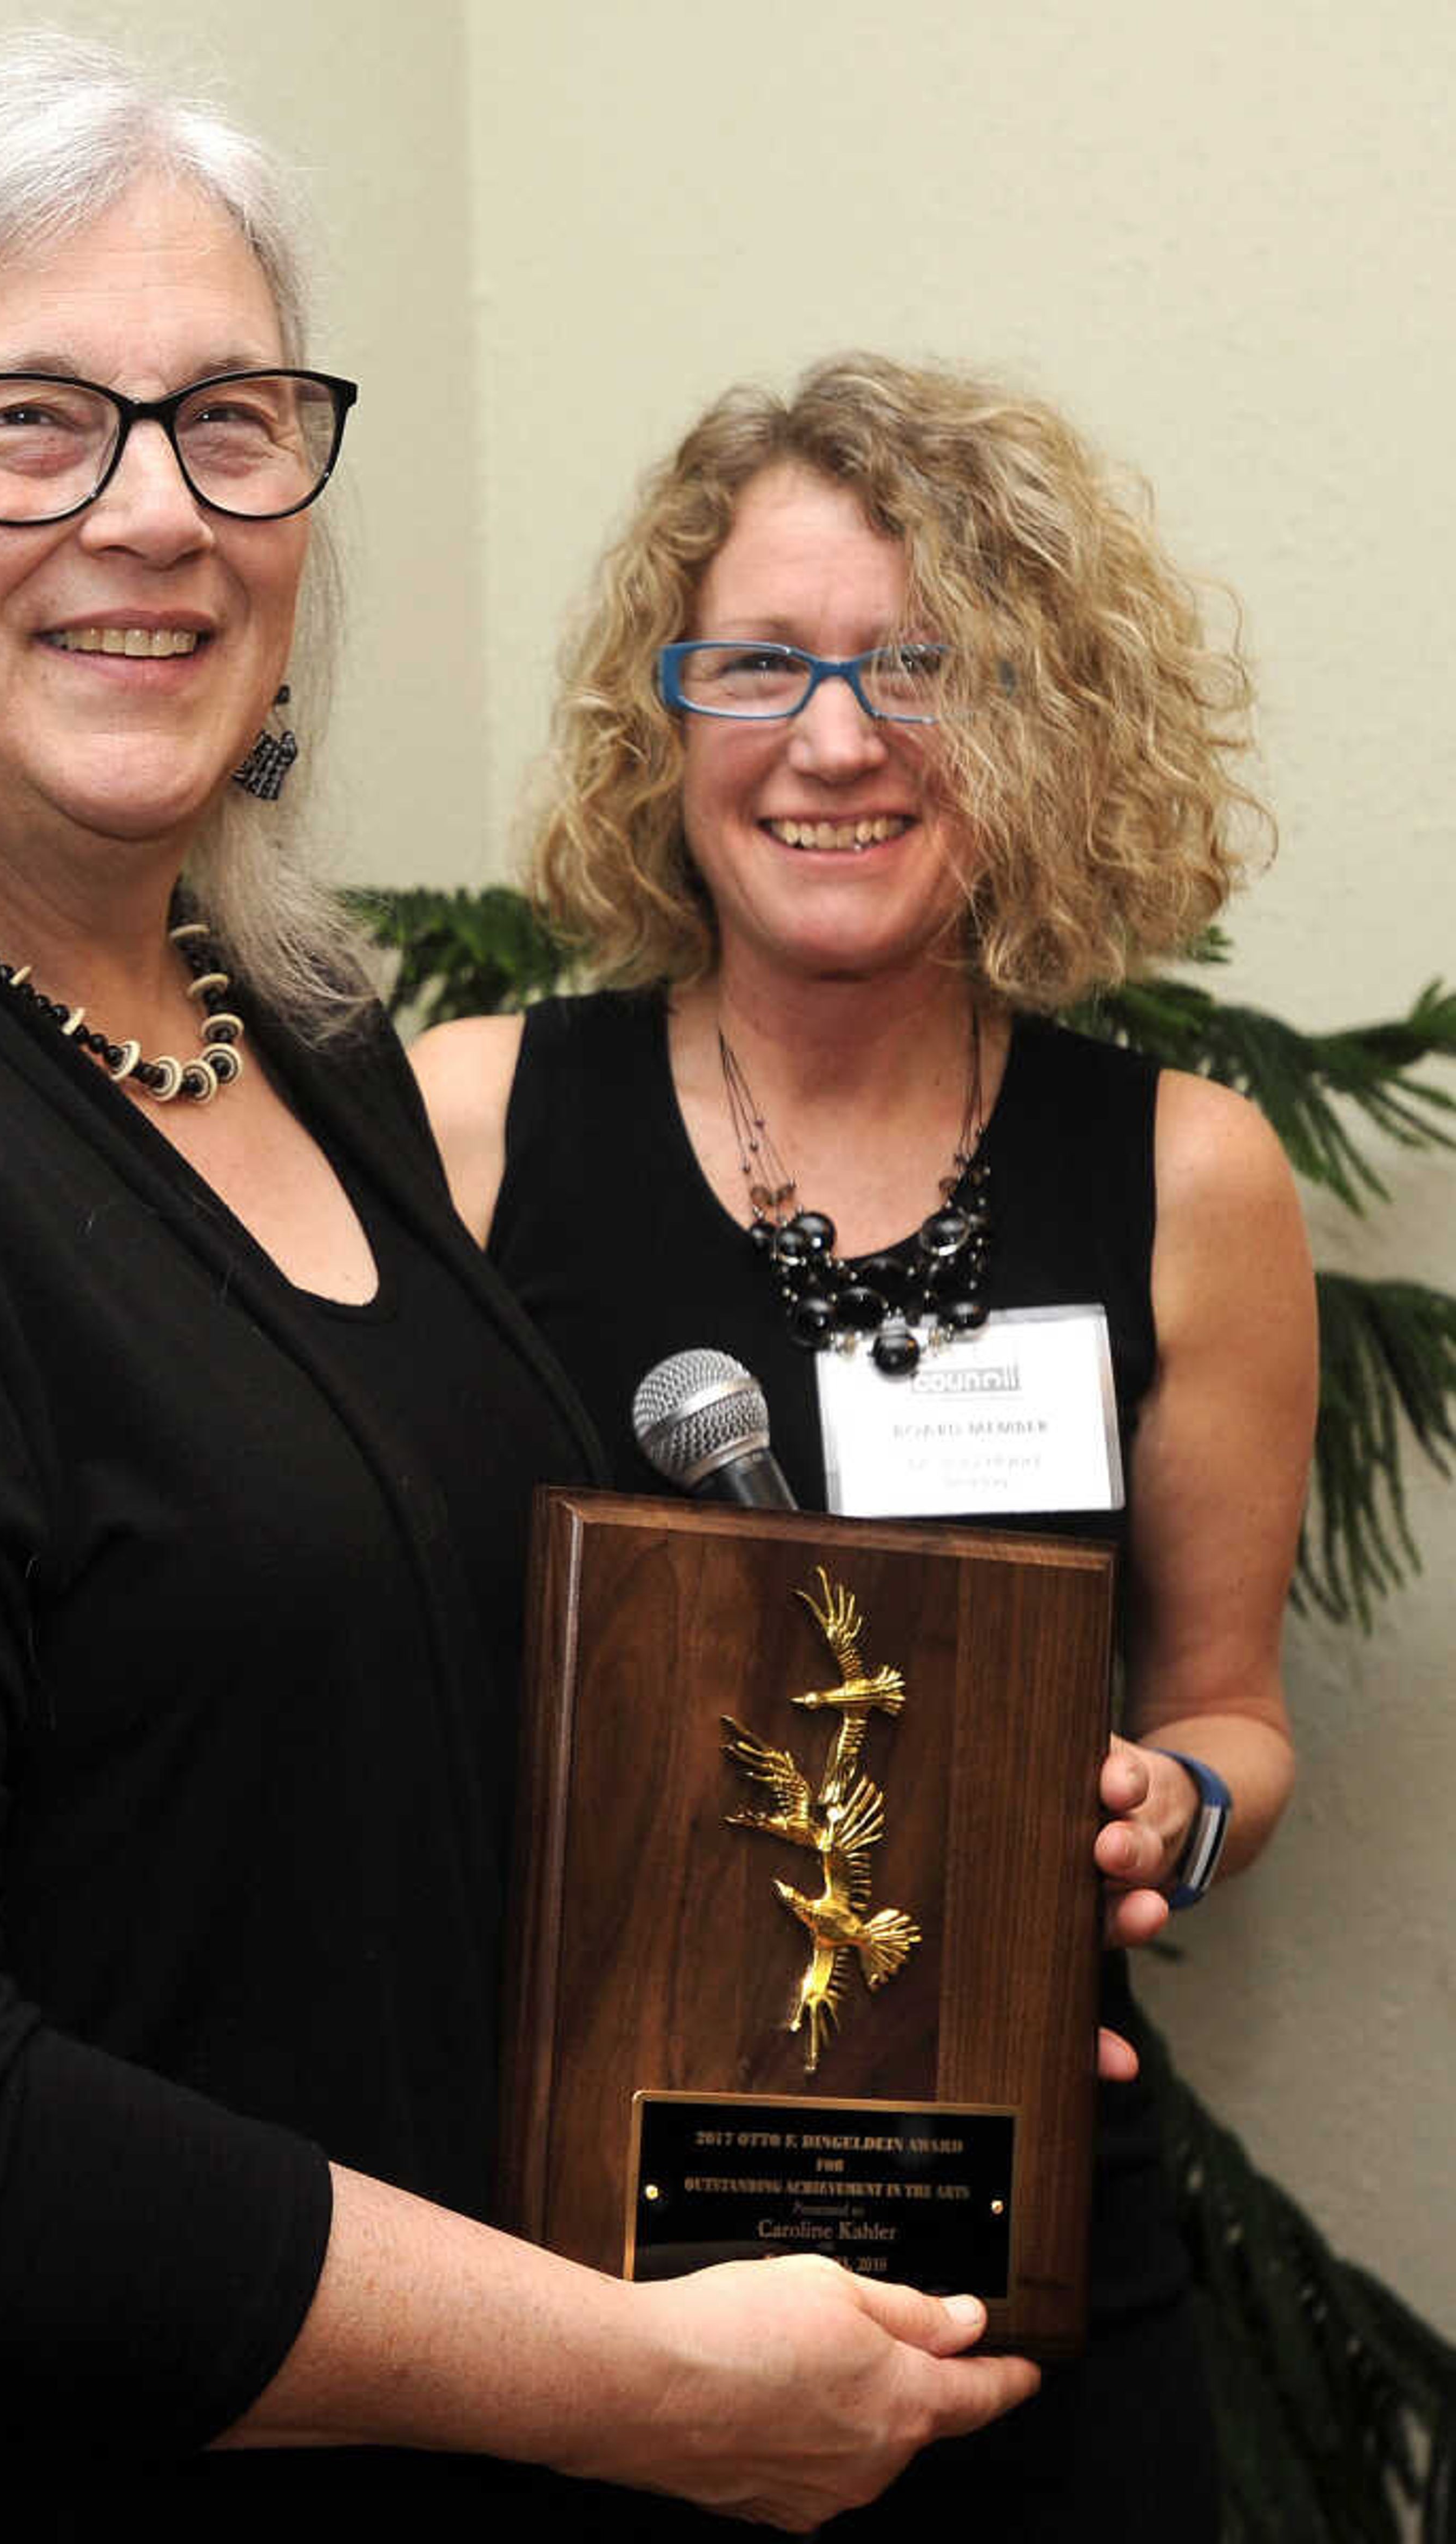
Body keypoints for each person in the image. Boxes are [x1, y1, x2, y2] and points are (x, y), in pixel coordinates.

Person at [0, 52, 1038, 2542]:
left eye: (233, 422)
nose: (155, 511)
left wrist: (931, 1901)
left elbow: (337, 1787)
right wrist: (624, 2384)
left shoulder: (309, 1043)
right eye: (27, 422)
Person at [414, 355, 1315, 2538]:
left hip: (1022, 2273)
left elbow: (1229, 1722)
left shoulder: (1193, 1177)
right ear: (669, 720)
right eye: (760, 667)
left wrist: (1167, 1822)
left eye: (920, 669)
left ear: (1040, 723)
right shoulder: (460, 1125)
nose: (834, 741)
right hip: (571, 2292)